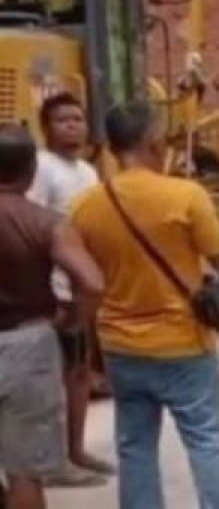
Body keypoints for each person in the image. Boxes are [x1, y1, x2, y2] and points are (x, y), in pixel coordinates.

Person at [70, 103, 219, 509]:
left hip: (121, 347)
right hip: (183, 345)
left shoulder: (85, 206)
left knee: (134, 447)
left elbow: (86, 280)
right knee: (206, 441)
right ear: (154, 143)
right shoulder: (186, 196)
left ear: (110, 150)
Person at [0, 123, 104, 509]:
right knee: (24, 473)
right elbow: (92, 282)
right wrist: (74, 318)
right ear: (30, 170)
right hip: (27, 345)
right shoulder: (46, 223)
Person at [26, 93, 112, 488]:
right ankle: (51, 462)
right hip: (54, 292)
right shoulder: (42, 169)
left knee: (79, 374)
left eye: (78, 119)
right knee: (48, 381)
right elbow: (33, 226)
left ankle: (75, 449)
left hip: (81, 291)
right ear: (46, 127)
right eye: (63, 120)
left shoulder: (88, 172)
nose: (73, 126)